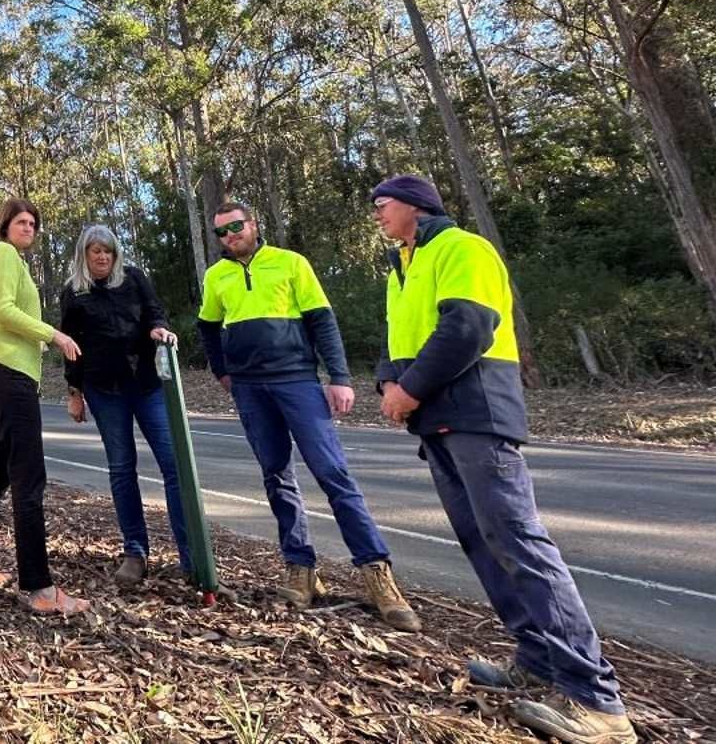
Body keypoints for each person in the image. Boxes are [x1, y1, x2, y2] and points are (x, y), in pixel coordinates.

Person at [371, 175, 635, 744]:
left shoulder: (463, 248)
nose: (377, 215)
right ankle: (538, 658)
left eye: (383, 204)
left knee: (518, 542)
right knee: (484, 543)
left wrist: (408, 388)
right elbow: (397, 341)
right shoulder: (402, 268)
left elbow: (468, 328)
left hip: (476, 413)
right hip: (435, 419)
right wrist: (388, 382)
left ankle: (597, 701)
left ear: (416, 206)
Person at [196, 201, 421, 632]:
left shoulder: (290, 263)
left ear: (254, 224)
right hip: (249, 388)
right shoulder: (217, 275)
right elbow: (208, 326)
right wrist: (222, 370)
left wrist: (339, 377)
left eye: (236, 227)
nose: (230, 237)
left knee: (331, 471)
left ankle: (376, 573)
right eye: (221, 233)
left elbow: (322, 321)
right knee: (276, 475)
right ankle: (300, 569)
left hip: (296, 380)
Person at [0, 197, 91, 615]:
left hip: (7, 372)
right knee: (28, 476)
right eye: (21, 221)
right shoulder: (2, 254)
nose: (28, 227)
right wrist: (55, 335)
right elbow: (2, 311)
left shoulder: (13, 261)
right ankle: (39, 588)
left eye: (33, 222)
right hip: (6, 372)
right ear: (5, 225)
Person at [58, 225, 194, 587]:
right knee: (122, 468)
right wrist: (74, 392)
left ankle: (191, 555)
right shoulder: (74, 293)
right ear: (84, 255)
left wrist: (158, 330)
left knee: (173, 465)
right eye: (95, 251)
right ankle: (135, 551)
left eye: (108, 251)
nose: (102, 257)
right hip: (104, 389)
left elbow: (154, 312)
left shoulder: (133, 278)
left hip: (147, 385)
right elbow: (71, 346)